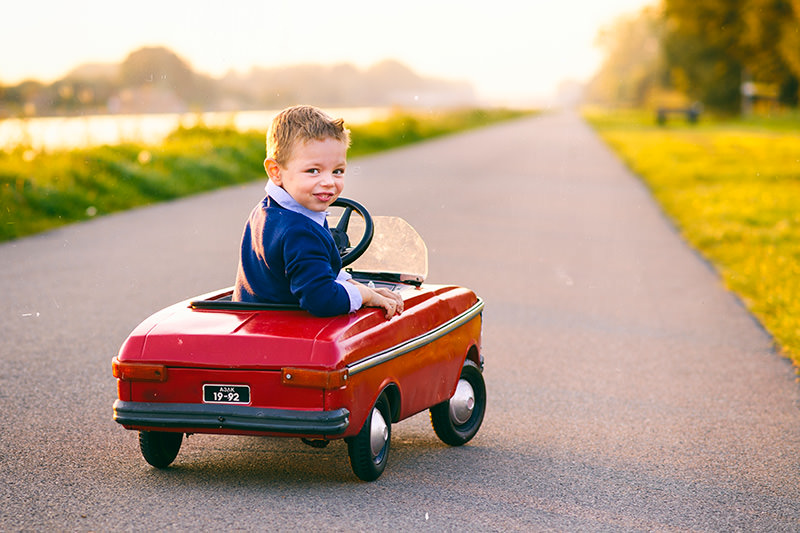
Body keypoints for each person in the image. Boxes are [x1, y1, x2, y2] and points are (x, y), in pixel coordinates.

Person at [233, 105, 403, 319]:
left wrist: (356, 286)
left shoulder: (270, 210)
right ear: (276, 172)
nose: (329, 182)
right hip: (286, 333)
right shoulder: (299, 231)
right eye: (313, 171)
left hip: (254, 322)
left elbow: (318, 270)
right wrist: (365, 295)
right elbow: (322, 299)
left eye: (337, 171)